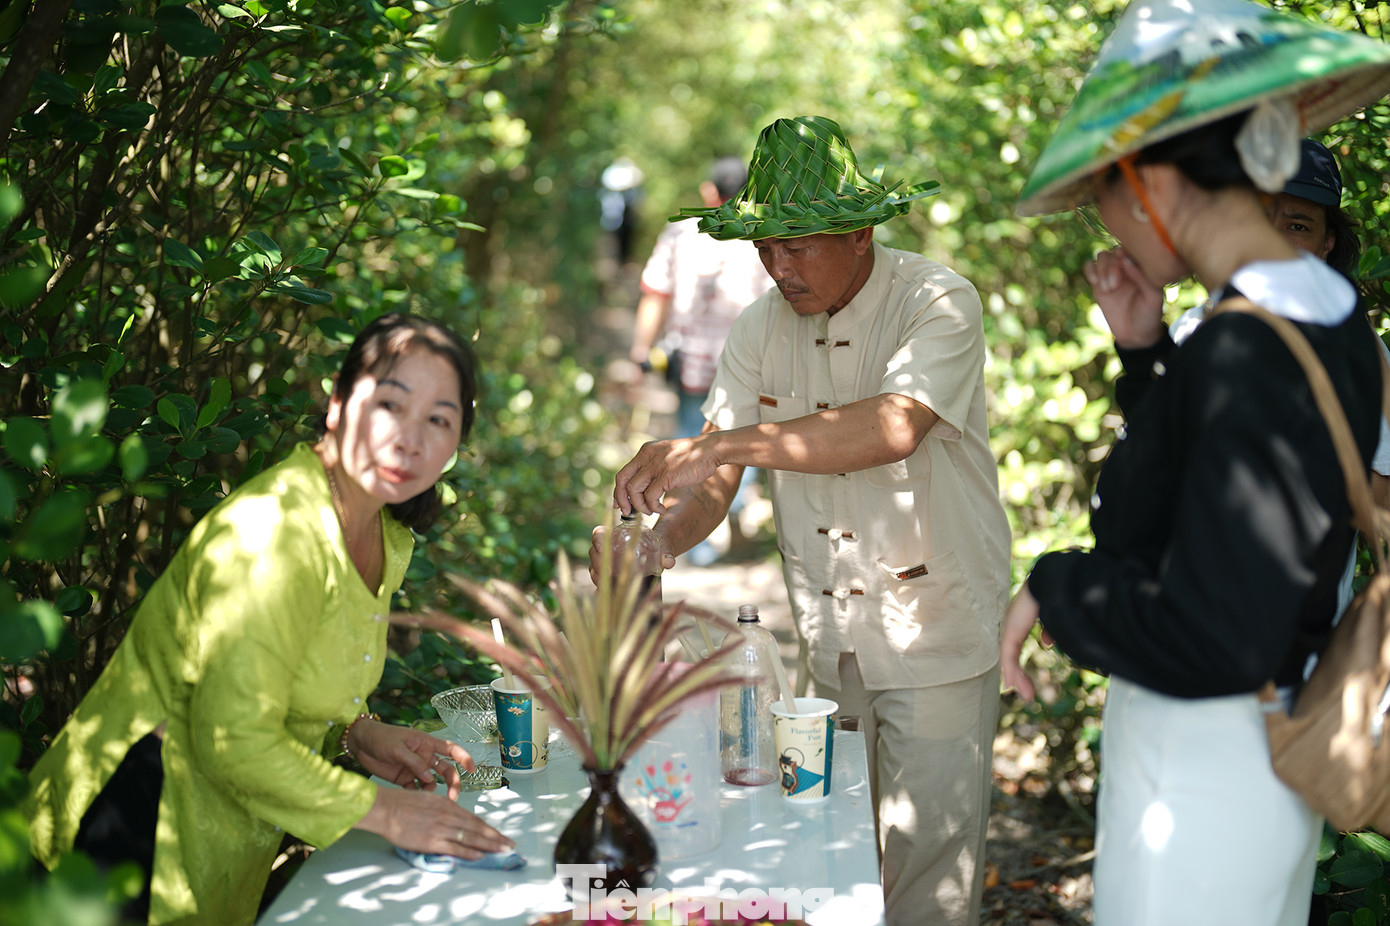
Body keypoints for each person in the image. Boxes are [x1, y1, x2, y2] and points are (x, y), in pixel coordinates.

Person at [1001, 2, 1390, 924]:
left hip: (1202, 761)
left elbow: (1214, 633)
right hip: (1268, 743)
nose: (1104, 216)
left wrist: (1058, 588)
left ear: (1149, 181)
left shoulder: (1240, 346)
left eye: (1103, 188)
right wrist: (1144, 357)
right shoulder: (1322, 313)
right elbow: (1201, 493)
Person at [590, 115, 1012, 926]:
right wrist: (657, 543)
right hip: (830, 632)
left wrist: (719, 446)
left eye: (798, 246)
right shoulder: (758, 327)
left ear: (859, 233)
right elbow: (715, 482)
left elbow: (894, 425)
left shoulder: (935, 300)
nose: (779, 267)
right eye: (765, 248)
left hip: (936, 625)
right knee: (833, 846)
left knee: (929, 867)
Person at [24, 314, 514, 925]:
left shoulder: (385, 536)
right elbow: (232, 737)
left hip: (221, 841)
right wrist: (389, 812)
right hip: (128, 828)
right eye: (391, 405)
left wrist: (357, 731)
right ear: (338, 405)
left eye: (438, 420)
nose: (409, 439)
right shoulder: (273, 531)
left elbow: (290, 674)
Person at [629, 155, 774, 563]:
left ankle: (697, 544)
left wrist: (641, 351)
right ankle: (739, 520)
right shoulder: (761, 232)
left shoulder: (680, 232)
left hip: (691, 362)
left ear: (709, 191)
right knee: (743, 442)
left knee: (691, 440)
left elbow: (655, 294)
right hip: (750, 363)